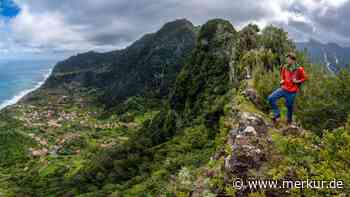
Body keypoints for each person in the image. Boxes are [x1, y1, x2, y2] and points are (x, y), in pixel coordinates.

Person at [268, 52, 308, 125]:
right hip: (283, 89)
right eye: (287, 59)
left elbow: (305, 78)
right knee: (271, 98)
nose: (287, 61)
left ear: (293, 60)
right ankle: (277, 114)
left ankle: (289, 121)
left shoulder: (299, 69)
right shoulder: (285, 67)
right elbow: (282, 76)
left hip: (292, 92)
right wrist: (282, 80)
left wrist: (297, 81)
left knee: (289, 106)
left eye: (288, 59)